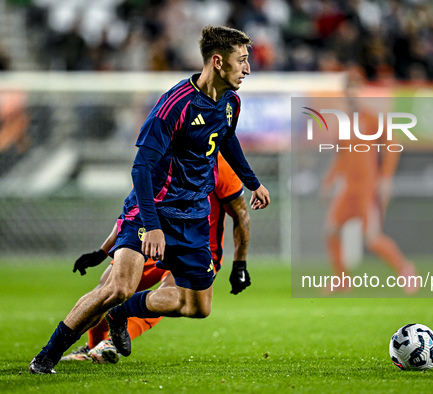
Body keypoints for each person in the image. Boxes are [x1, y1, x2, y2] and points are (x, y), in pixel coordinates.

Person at [30, 25, 270, 374]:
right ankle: (46, 358)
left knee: (197, 307)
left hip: (193, 217)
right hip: (152, 212)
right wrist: (153, 228)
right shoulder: (174, 106)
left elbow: (227, 140)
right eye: (242, 61)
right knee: (117, 286)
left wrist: (253, 182)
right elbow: (141, 168)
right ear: (218, 62)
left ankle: (122, 315)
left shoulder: (231, 102)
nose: (247, 69)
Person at [61, 153, 250, 363]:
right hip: (154, 240)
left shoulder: (219, 163)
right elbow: (134, 207)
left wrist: (240, 264)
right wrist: (102, 251)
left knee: (172, 294)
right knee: (107, 287)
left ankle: (110, 344)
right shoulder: (161, 153)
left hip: (196, 249)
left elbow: (240, 213)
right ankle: (91, 347)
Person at [320, 92, 417, 293]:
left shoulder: (371, 119)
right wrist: (330, 180)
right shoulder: (344, 124)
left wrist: (386, 177)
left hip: (367, 189)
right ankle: (342, 279)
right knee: (331, 231)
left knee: (371, 238)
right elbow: (342, 156)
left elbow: (392, 145)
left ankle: (405, 269)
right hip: (348, 188)